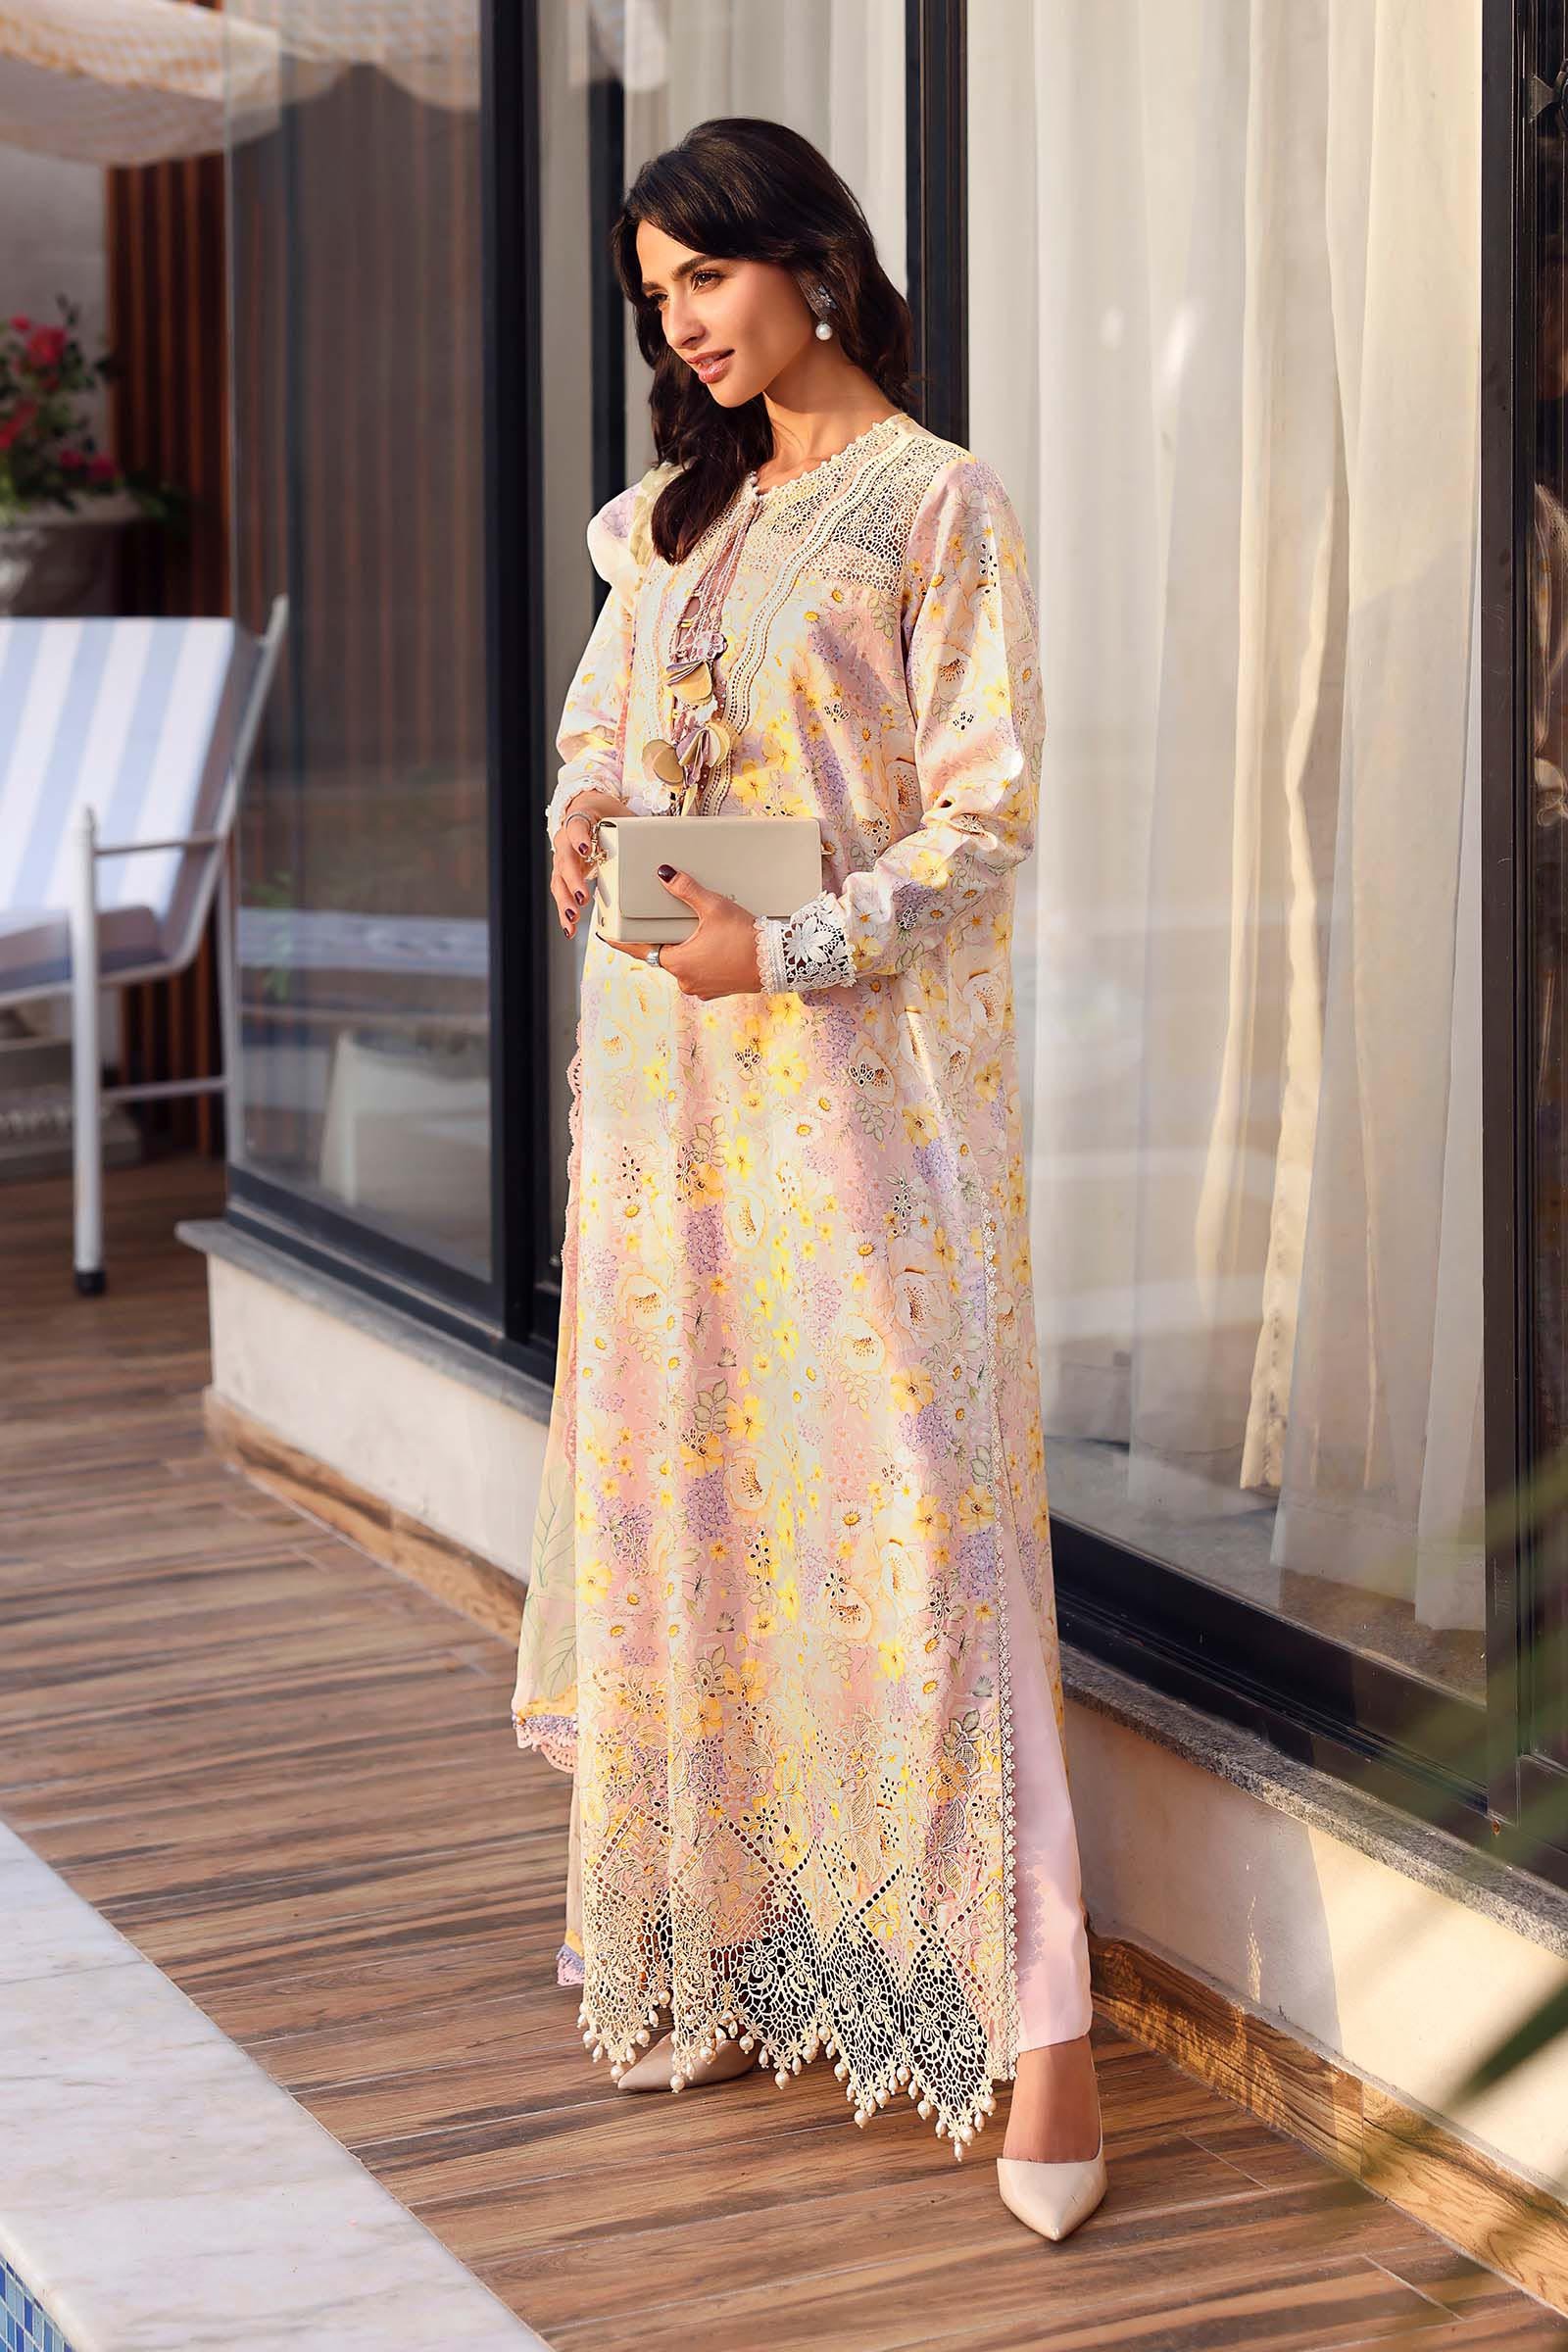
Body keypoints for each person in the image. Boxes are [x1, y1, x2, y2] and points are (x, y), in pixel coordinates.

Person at [512, 114, 1106, 2245]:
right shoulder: (673, 521)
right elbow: (602, 735)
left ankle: (1044, 2026)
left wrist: (798, 944)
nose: (681, 324)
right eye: (654, 296)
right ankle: (736, 1942)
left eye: (707, 276)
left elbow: (985, 822)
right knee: (700, 1507)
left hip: (854, 1102)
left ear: (810, 261)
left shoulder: (936, 505)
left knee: (923, 1527)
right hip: (670, 1105)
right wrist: (587, 819)